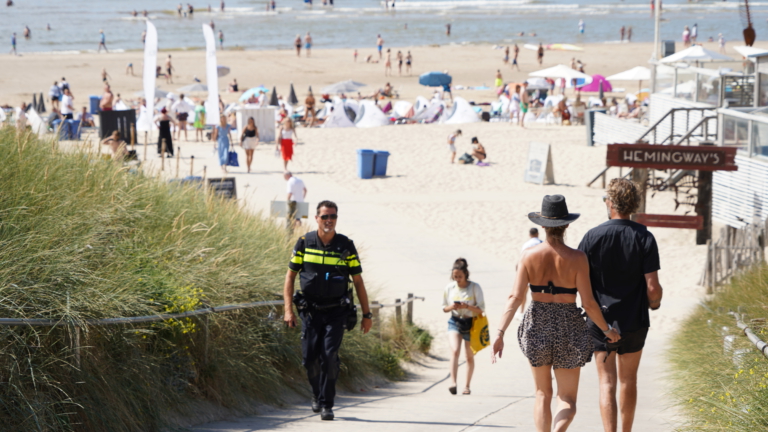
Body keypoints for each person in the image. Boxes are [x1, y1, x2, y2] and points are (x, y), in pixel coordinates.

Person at [492, 194, 621, 432]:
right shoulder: (578, 258)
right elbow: (589, 303)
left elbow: (515, 297)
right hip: (569, 326)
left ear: (543, 225)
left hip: (537, 324)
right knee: (568, 400)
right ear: (567, 224)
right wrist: (607, 331)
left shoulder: (528, 256)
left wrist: (500, 332)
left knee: (542, 394)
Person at [578, 179, 663, 432]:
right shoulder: (644, 237)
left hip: (600, 321)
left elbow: (581, 286)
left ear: (611, 203)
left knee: (606, 383)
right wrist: (655, 304)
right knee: (628, 381)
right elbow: (653, 288)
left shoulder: (591, 237)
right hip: (634, 320)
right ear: (633, 205)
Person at [283, 200, 373, 421]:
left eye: (332, 216)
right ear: (316, 219)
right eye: (324, 217)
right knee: (309, 358)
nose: (329, 220)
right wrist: (288, 310)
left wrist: (367, 314)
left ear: (336, 219)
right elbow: (290, 276)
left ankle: (327, 404)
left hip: (336, 311)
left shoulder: (346, 246)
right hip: (310, 311)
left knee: (329, 355)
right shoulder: (304, 242)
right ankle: (316, 393)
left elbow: (359, 282)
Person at [443, 258, 484, 395]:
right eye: (455, 277)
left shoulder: (474, 287)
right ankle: (453, 383)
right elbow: (444, 308)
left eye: (460, 276)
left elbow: (481, 309)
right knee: (454, 351)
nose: (458, 279)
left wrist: (466, 306)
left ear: (466, 274)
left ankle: (467, 386)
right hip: (454, 321)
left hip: (471, 322)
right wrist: (453, 306)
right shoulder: (449, 287)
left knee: (469, 356)